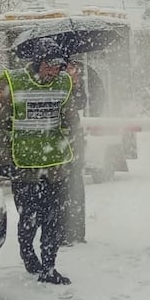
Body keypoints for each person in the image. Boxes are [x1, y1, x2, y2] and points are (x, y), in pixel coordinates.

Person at [0, 37, 79, 284]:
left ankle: (49, 266)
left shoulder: (63, 83)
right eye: (50, 64)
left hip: (56, 167)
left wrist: (76, 151)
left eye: (59, 65)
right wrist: (3, 159)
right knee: (29, 220)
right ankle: (28, 255)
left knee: (55, 220)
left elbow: (72, 122)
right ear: (37, 62)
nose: (54, 70)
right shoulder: (12, 83)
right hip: (24, 167)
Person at [60, 59, 89, 245]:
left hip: (73, 141)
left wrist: (75, 82)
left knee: (76, 185)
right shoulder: (51, 78)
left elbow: (80, 102)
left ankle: (77, 231)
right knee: (60, 188)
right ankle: (62, 231)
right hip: (57, 143)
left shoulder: (72, 74)